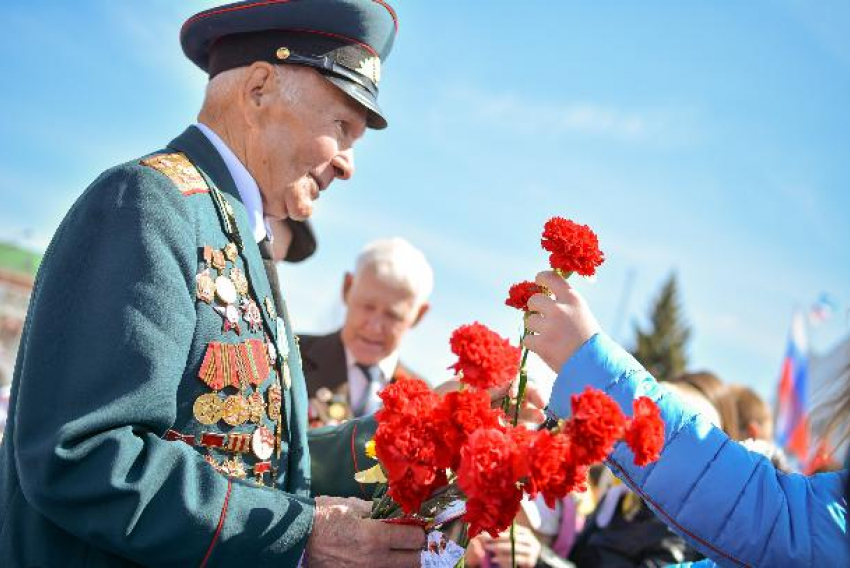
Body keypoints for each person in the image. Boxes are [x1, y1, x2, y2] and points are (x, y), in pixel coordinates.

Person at [0, 2, 428, 566]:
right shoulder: (148, 204)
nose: (347, 163)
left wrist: (423, 431)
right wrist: (299, 535)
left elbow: (262, 458)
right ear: (258, 89)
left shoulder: (231, 230)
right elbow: (82, 455)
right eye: (342, 127)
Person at [524, 271, 848, 566]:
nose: (648, 420)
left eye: (664, 410)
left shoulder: (673, 527)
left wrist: (591, 365)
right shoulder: (615, 505)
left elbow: (756, 509)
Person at [299, 238, 432, 424]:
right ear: (347, 288)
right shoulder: (290, 358)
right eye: (367, 306)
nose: (375, 326)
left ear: (419, 315)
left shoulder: (427, 402)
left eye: (393, 315)